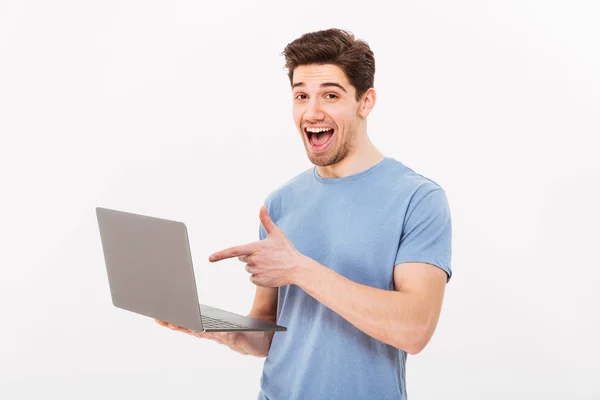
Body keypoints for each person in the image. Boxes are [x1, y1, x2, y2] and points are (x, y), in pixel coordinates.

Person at [156, 28, 452, 400]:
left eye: (330, 95)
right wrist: (216, 328)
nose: (312, 112)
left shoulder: (417, 198)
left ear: (366, 102)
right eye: (301, 95)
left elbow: (415, 330)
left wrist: (299, 269)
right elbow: (265, 332)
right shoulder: (280, 202)